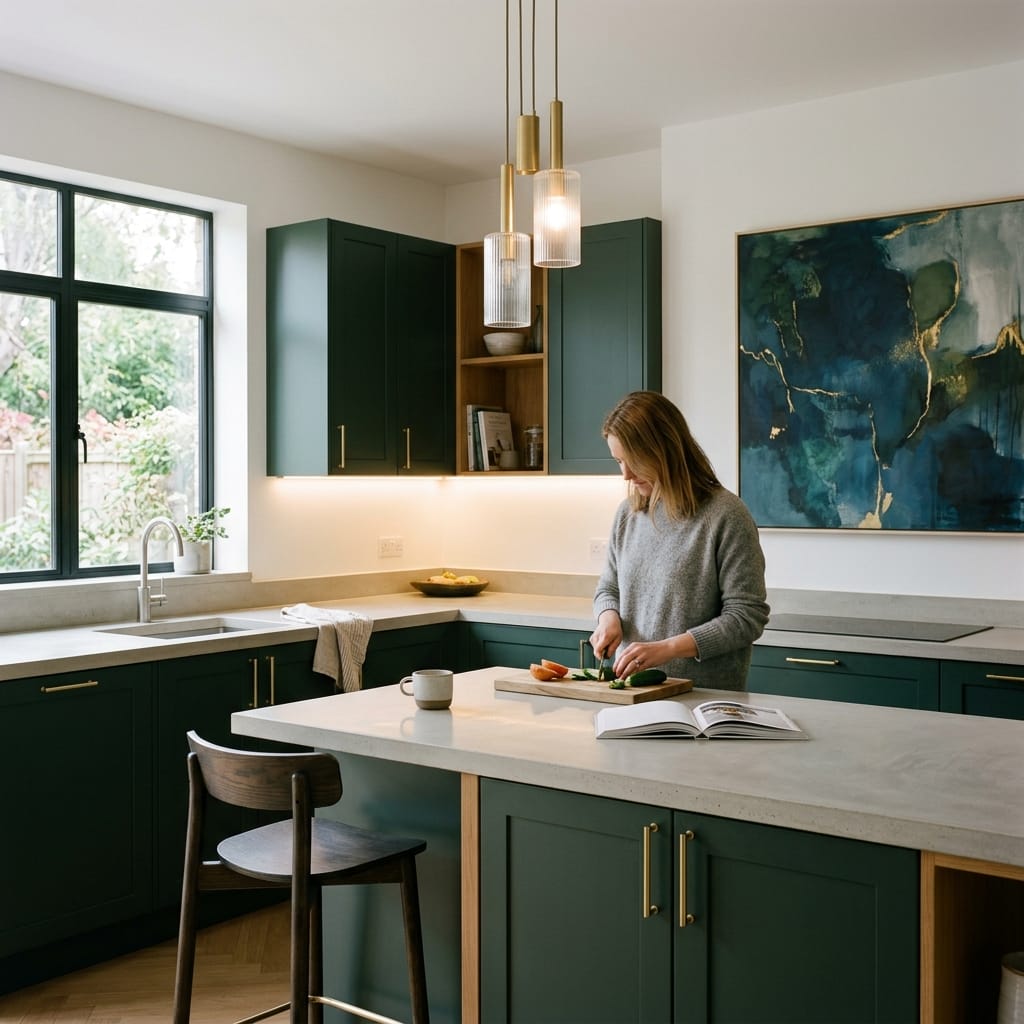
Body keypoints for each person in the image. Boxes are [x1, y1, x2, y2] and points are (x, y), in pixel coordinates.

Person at [591, 391, 769, 691]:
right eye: (619, 461)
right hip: (632, 695)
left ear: (665, 450)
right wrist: (608, 618)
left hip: (703, 699)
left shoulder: (726, 515)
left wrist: (668, 648)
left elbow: (746, 617)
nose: (626, 475)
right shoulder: (628, 514)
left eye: (633, 461)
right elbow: (608, 588)